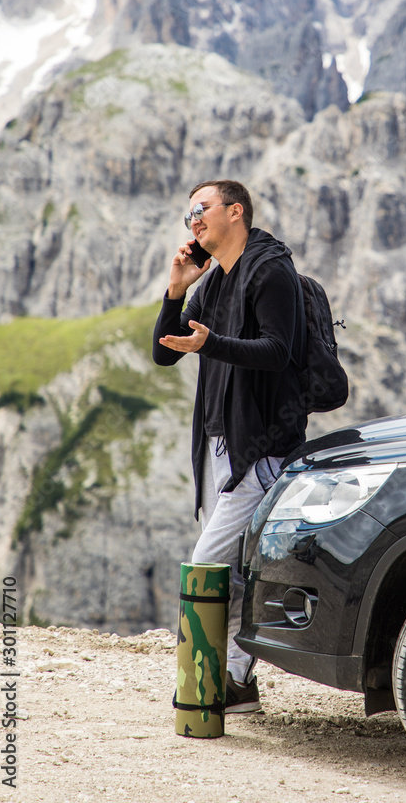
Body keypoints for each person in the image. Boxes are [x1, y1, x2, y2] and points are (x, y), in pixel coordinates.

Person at [152, 179, 307, 713]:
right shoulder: (214, 281)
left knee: (206, 564)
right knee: (232, 573)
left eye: (200, 208)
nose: (192, 220)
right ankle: (237, 684)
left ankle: (201, 686)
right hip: (219, 446)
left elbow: (277, 350)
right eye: (186, 214)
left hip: (259, 451)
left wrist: (211, 343)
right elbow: (164, 354)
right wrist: (177, 289)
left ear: (234, 211)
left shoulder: (270, 270)